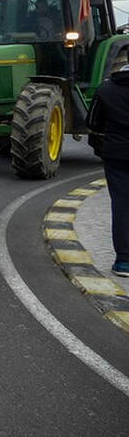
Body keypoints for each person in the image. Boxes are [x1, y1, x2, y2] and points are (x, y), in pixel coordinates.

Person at [87, 63, 129, 277]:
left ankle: (123, 260)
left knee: (121, 204)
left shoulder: (106, 89)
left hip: (117, 154)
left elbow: (93, 122)